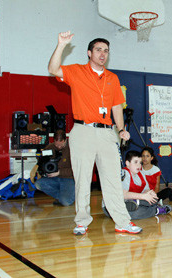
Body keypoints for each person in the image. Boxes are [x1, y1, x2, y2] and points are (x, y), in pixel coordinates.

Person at [48, 31, 141, 235]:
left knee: (113, 180)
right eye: (98, 50)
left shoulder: (112, 78)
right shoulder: (77, 71)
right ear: (89, 53)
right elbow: (53, 68)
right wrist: (61, 45)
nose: (102, 54)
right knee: (82, 179)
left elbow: (117, 107)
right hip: (83, 131)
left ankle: (122, 221)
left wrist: (122, 129)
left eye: (106, 51)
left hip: (107, 133)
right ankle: (82, 221)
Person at [103, 150, 171, 220]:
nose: (138, 165)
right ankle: (156, 210)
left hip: (132, 200)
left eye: (140, 163)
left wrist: (151, 193)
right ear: (127, 163)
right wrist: (143, 196)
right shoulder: (124, 174)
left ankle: (136, 203)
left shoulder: (141, 174)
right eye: (135, 162)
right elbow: (124, 195)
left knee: (153, 200)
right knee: (134, 213)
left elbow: (146, 190)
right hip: (113, 205)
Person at [34, 129, 75, 206]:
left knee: (66, 202)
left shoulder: (73, 147)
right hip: (53, 178)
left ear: (65, 140)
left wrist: (59, 172)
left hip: (69, 178)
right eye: (57, 145)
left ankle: (67, 196)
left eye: (61, 145)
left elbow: (77, 170)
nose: (59, 147)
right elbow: (42, 163)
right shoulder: (50, 147)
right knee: (38, 184)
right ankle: (62, 196)